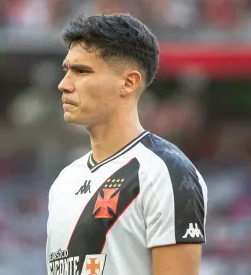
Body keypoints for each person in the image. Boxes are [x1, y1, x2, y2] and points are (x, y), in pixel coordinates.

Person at [46, 13, 208, 275]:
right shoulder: (64, 181)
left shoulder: (167, 173)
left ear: (128, 82)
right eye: (67, 70)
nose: (64, 85)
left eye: (82, 71)